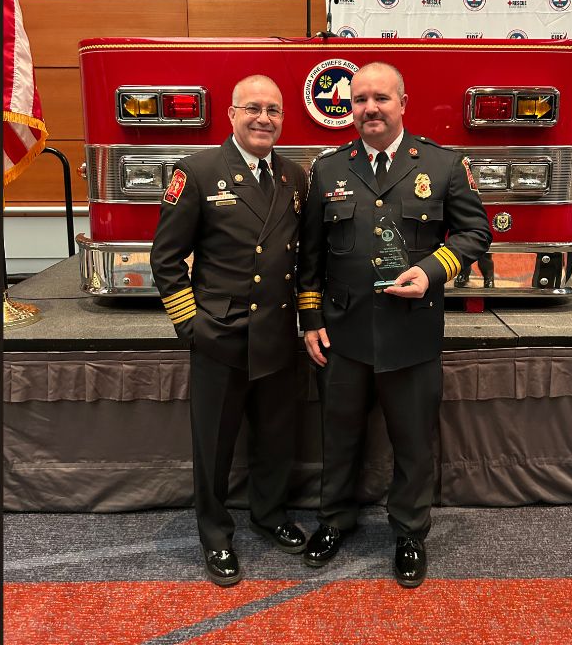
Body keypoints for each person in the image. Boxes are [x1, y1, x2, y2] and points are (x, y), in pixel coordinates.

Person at [296, 61, 492, 588]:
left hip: (412, 333)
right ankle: (334, 521)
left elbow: (475, 234)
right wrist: (310, 318)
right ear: (350, 109)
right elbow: (309, 257)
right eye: (359, 100)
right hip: (343, 334)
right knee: (338, 438)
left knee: (412, 442)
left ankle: (409, 532)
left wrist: (433, 271)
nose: (369, 109)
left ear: (403, 102)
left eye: (380, 98)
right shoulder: (328, 169)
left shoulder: (444, 164)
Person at [151, 74, 310, 587]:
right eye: (253, 109)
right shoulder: (196, 171)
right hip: (220, 335)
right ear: (232, 115)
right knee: (214, 445)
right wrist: (190, 325)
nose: (264, 119)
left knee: (276, 439)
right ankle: (215, 535)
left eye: (274, 111)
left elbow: (302, 257)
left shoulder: (294, 176)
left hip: (279, 333)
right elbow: (167, 258)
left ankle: (268, 515)